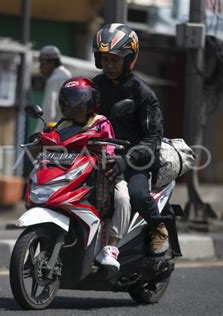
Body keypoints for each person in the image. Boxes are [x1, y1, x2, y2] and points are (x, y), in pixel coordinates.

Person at [92, 23, 169, 255]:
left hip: (134, 160)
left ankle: (159, 228)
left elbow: (153, 139)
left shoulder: (143, 94)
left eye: (115, 59)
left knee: (136, 194)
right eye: (105, 59)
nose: (109, 65)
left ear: (129, 59)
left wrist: (127, 161)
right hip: (99, 155)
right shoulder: (95, 86)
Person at [57, 77, 130, 270]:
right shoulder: (63, 125)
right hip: (75, 174)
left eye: (79, 102)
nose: (74, 107)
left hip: (104, 173)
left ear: (90, 104)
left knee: (122, 197)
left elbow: (110, 151)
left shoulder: (101, 122)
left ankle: (111, 248)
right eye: (69, 102)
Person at [39, 45, 72, 127]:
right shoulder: (67, 75)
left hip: (56, 131)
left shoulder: (54, 80)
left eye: (42, 63)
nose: (40, 67)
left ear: (52, 63)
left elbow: (49, 112)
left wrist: (39, 133)